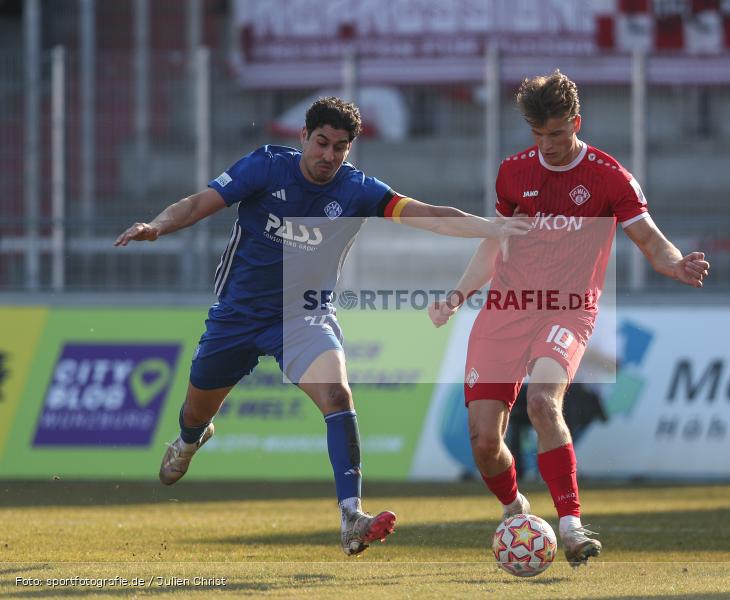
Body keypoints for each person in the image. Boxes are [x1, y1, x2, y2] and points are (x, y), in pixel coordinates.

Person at [114, 97, 529, 557]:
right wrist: (155, 226)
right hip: (238, 314)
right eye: (322, 143)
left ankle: (352, 517)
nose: (329, 156)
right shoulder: (265, 167)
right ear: (303, 138)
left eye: (340, 147)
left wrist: (492, 228)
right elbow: (196, 205)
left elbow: (429, 215)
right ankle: (191, 440)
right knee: (195, 413)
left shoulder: (358, 190)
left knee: (338, 395)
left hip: (304, 316)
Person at [428, 71, 709, 567]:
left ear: (575, 122)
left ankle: (572, 527)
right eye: (538, 136)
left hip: (567, 309)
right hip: (506, 310)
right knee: (484, 440)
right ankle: (515, 508)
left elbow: (649, 239)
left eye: (556, 134)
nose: (547, 146)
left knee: (542, 401)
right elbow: (495, 242)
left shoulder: (608, 177)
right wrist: (456, 295)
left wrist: (675, 262)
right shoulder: (513, 173)